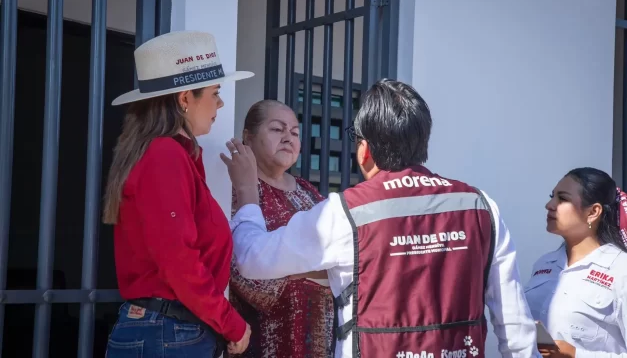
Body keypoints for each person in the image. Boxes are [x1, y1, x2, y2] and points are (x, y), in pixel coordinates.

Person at [221, 79, 541, 358]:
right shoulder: (480, 207)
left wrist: (247, 194)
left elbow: (252, 259)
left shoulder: (346, 212)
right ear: (423, 141)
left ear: (365, 150)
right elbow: (514, 327)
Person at [102, 30, 254, 357]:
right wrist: (232, 323)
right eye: (214, 93)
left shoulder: (173, 155)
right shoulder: (164, 155)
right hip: (169, 333)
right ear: (185, 99)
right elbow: (179, 261)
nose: (221, 103)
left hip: (167, 330)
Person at [227, 100, 335, 358]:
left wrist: (295, 269)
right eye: (277, 129)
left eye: (295, 133)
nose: (288, 138)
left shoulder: (309, 193)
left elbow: (340, 261)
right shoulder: (237, 190)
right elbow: (249, 278)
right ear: (247, 137)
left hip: (320, 337)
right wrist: (318, 269)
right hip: (263, 341)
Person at [525, 167, 627, 358]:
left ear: (593, 212)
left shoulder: (621, 269)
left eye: (562, 199)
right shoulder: (544, 264)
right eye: (552, 196)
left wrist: (575, 354)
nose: (549, 205)